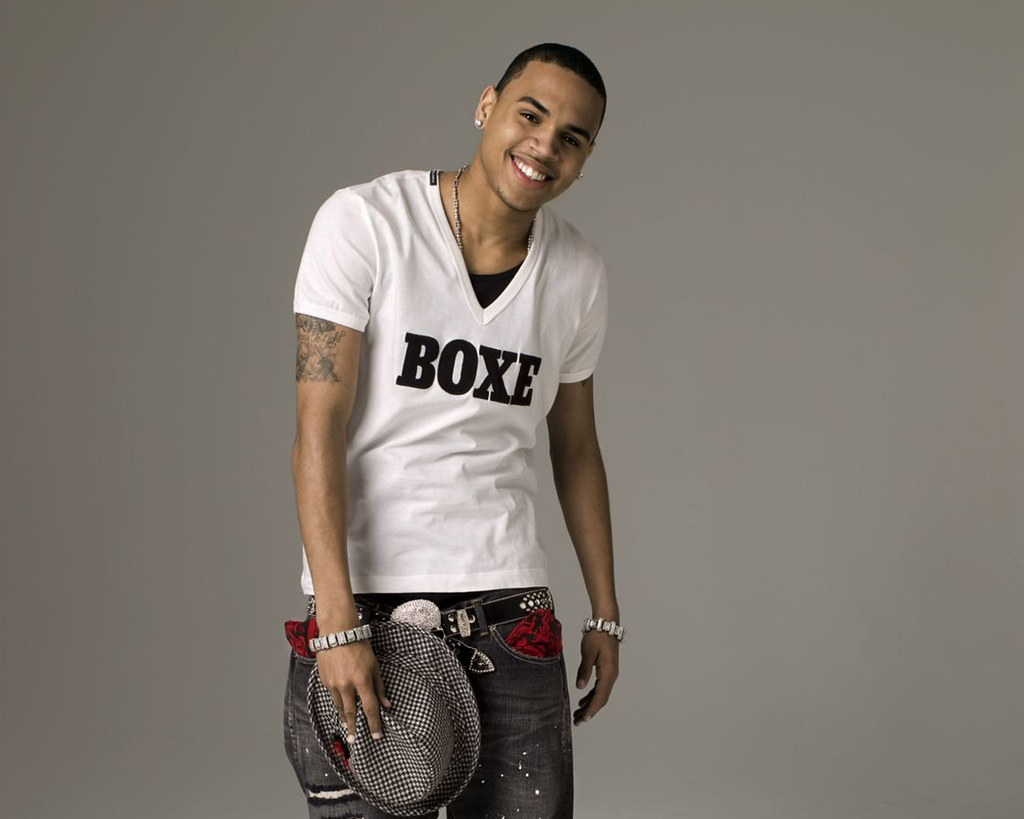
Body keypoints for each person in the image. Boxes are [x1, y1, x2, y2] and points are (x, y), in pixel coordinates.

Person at [283, 42, 622, 819]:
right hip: (365, 607)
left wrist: (605, 612)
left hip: (510, 614)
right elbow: (317, 428)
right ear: (486, 106)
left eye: (571, 138)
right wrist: (334, 620)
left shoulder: (579, 273)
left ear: (585, 158)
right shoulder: (365, 223)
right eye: (530, 115)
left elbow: (576, 449)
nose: (544, 145)